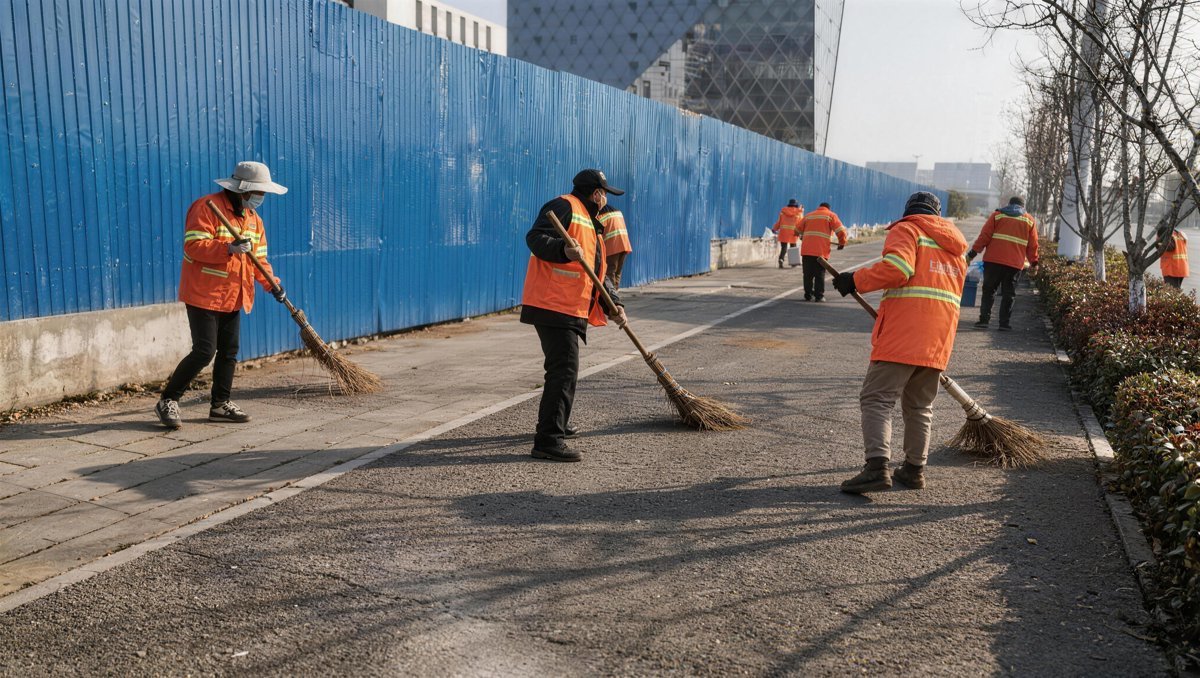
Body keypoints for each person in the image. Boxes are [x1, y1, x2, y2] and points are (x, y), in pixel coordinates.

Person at [831, 192, 968, 494]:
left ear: (909, 211)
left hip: (904, 334)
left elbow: (898, 269)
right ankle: (914, 470)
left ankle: (876, 468)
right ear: (938, 215)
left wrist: (854, 280)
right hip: (938, 339)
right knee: (920, 405)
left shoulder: (908, 229)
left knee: (876, 399)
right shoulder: (956, 249)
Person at [155, 161, 289, 429]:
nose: (261, 198)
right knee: (205, 351)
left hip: (234, 295)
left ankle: (219, 405)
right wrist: (227, 247)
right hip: (203, 293)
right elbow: (193, 246)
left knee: (229, 352)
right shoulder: (207, 207)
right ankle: (168, 400)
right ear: (244, 190)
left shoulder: (254, 220)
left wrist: (272, 284)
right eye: (259, 192)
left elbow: (259, 260)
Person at [521, 169, 628, 462]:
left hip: (568, 307)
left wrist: (615, 305)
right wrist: (562, 250)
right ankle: (548, 440)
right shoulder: (564, 206)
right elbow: (535, 237)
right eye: (604, 194)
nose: (605, 200)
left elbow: (597, 274)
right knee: (564, 370)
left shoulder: (591, 224)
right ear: (596, 194)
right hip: (552, 303)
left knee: (564, 370)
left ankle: (558, 422)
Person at [967, 196, 1039, 331]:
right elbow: (1033, 245)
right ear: (1023, 206)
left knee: (989, 290)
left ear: (1009, 204)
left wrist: (972, 254)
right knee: (1009, 294)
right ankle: (1004, 324)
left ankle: (984, 320)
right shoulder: (1029, 220)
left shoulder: (997, 215)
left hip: (993, 261)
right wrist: (1034, 263)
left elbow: (984, 236)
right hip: (1014, 264)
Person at [798, 202, 848, 301]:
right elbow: (841, 231)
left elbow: (797, 229)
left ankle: (808, 294)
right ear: (828, 208)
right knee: (819, 274)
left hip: (807, 250)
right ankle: (819, 296)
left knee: (807, 274)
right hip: (820, 251)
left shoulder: (809, 215)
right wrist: (842, 243)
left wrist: (802, 235)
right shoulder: (831, 215)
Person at [598, 205, 632, 289]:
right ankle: (615, 293)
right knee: (617, 274)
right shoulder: (617, 211)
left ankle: (610, 295)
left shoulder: (599, 215)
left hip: (613, 246)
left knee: (610, 273)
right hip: (624, 244)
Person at [771, 199, 804, 269]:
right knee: (793, 247)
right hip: (793, 233)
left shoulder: (783, 212)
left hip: (784, 232)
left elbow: (779, 222)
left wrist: (774, 228)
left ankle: (781, 260)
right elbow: (801, 224)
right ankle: (793, 263)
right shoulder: (799, 213)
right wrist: (801, 232)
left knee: (784, 248)